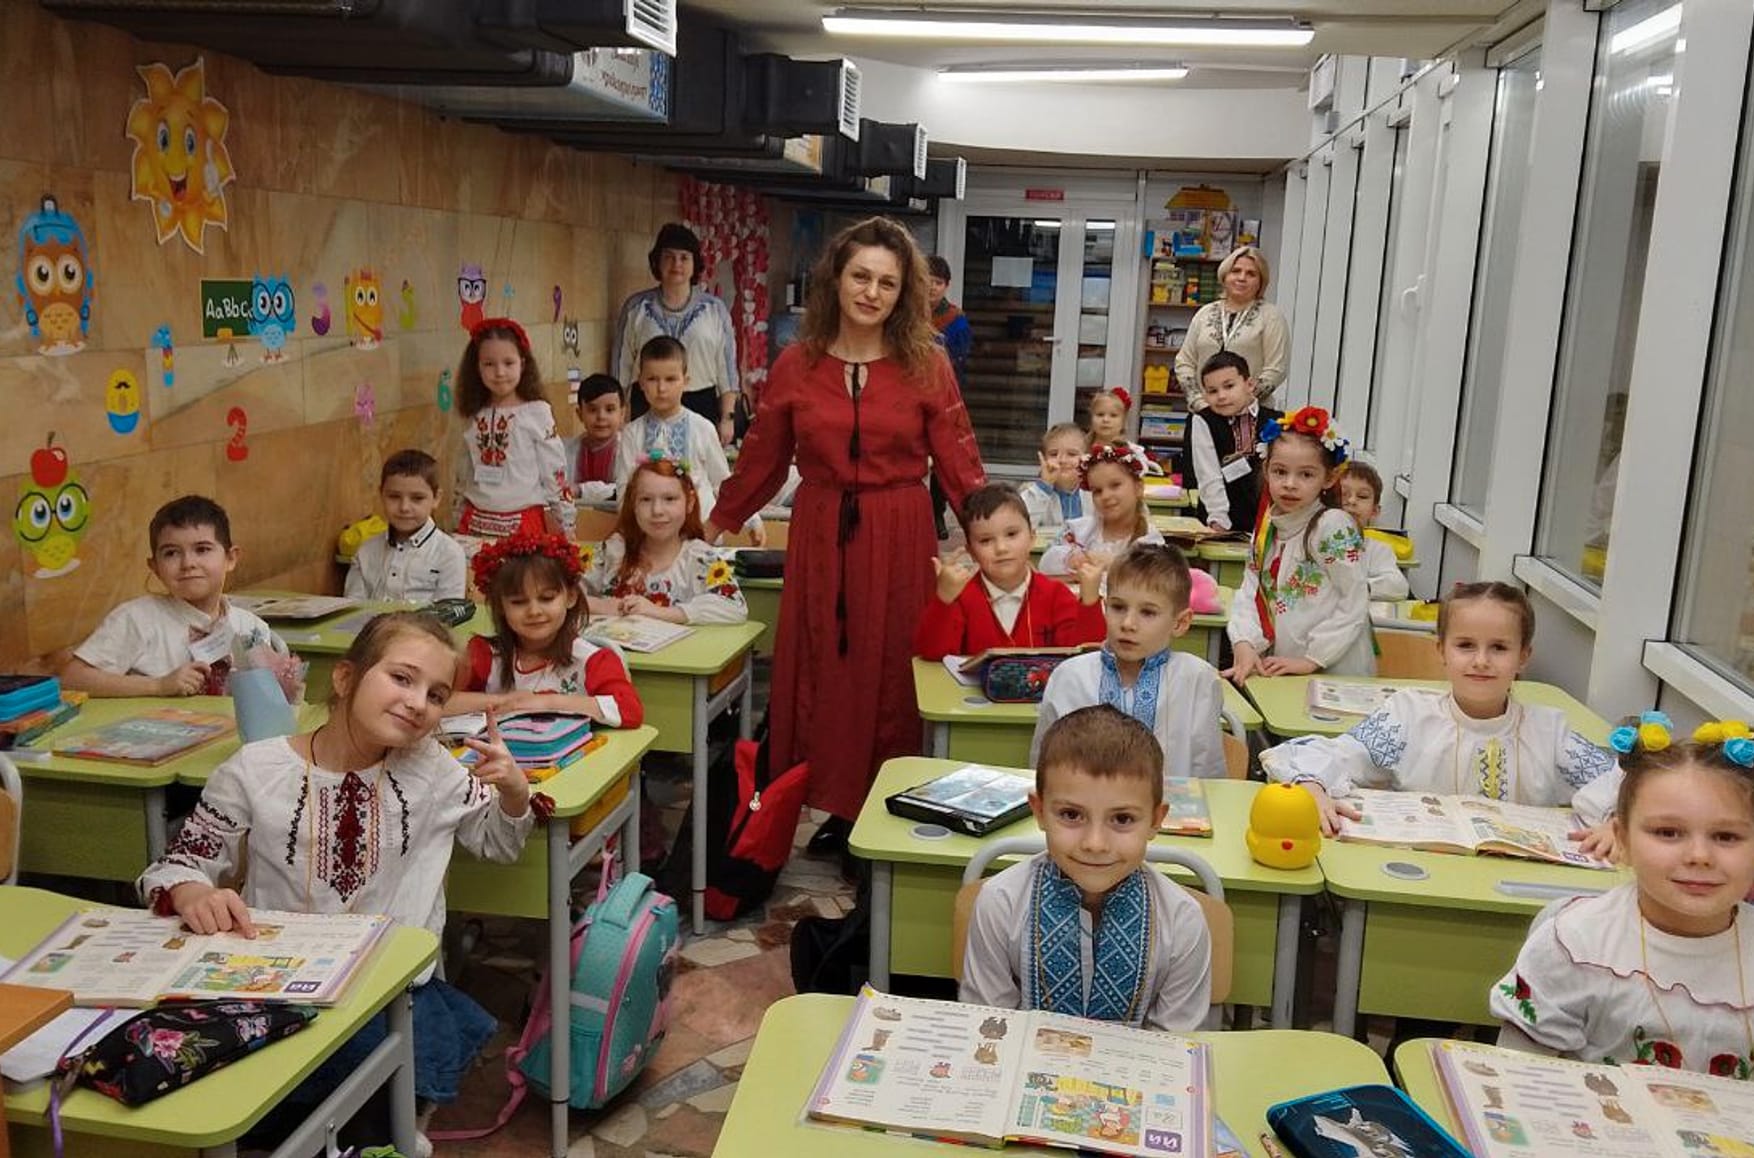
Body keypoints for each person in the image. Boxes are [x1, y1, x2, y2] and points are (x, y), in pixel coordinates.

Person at [137, 611, 533, 1153]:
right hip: (273, 986)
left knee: (370, 1087)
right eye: (402, 678)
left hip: (388, 988)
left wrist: (514, 793)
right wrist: (193, 891)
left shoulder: (433, 769)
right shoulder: (256, 770)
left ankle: (379, 1132)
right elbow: (179, 863)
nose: (418, 702)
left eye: (437, 695)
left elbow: (498, 843)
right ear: (346, 678)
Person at [703, 216, 987, 855]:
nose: (872, 292)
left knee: (892, 673)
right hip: (820, 531)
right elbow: (762, 457)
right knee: (823, 670)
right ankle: (833, 804)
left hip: (899, 530)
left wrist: (992, 538)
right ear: (836, 279)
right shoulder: (796, 364)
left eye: (888, 282)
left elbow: (958, 456)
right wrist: (715, 522)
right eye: (861, 276)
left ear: (904, 292)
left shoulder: (927, 363)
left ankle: (885, 809)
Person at [1261, 581, 1620, 853]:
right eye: (1465, 646)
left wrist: (1616, 822)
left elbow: (1623, 785)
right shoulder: (1409, 716)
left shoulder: (1549, 731)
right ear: (1441, 651)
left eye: (1499, 648)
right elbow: (1331, 754)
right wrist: (1313, 786)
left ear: (1523, 657)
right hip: (1419, 876)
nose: (1481, 661)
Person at [1490, 717, 1754, 1074]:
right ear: (1622, 839)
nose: (1699, 856)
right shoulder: (1575, 945)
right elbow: (1517, 1076)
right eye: (1668, 832)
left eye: (1726, 837)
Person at [960, 704, 1212, 1031]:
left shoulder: (1182, 921)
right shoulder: (1000, 903)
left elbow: (1176, 1047)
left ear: (1156, 820)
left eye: (1122, 819)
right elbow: (986, 1028)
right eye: (1071, 815)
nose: (1095, 843)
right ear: (1039, 811)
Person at [1030, 544, 1226, 782]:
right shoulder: (1069, 676)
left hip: (1168, 805)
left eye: (1148, 612)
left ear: (1180, 622)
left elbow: (1208, 778)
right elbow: (1043, 771)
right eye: (1118, 607)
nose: (1128, 624)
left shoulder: (1198, 680)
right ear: (1105, 607)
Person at [62, 494, 288, 698]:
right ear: (155, 567)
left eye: (202, 549)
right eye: (171, 553)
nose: (188, 563)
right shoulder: (136, 618)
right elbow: (72, 679)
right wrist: (157, 686)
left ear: (231, 558)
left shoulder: (250, 627)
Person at [1225, 407, 1374, 681]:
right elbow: (1251, 589)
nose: (1290, 484)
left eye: (1306, 475)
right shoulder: (1267, 526)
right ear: (1266, 470)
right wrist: (1244, 642)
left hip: (1334, 669)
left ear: (1329, 478)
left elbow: (1354, 599)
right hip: (1284, 665)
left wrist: (1312, 659)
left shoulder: (1332, 526)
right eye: (1280, 472)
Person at [446, 531, 643, 725]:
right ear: (500, 606)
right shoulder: (484, 654)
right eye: (518, 602)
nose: (534, 611)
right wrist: (507, 701)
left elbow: (629, 709)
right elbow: (439, 701)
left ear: (571, 597)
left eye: (547, 598)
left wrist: (546, 702)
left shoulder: (594, 660)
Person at [913, 484, 1104, 661]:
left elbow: (1085, 657)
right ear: (971, 552)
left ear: (1031, 538)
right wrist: (944, 600)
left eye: (1012, 534)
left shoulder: (1056, 595)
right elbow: (932, 654)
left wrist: (1090, 601)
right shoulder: (961, 596)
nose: (1001, 548)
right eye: (985, 540)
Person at [613, 336, 753, 538]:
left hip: (700, 535)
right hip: (648, 538)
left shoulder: (703, 428)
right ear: (641, 382)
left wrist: (752, 520)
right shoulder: (632, 434)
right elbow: (624, 490)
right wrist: (632, 533)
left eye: (670, 379)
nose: (661, 388)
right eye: (652, 379)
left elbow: (723, 483)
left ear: (685, 381)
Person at [611, 222, 739, 445]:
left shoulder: (715, 310)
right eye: (669, 257)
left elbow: (726, 370)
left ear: (695, 263)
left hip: (700, 403)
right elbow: (621, 368)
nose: (676, 264)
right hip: (648, 403)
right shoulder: (636, 308)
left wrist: (728, 417)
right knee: (649, 464)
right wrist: (620, 414)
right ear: (657, 261)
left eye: (684, 258)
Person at [583, 456, 748, 626]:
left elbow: (735, 607)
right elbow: (569, 591)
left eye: (669, 499)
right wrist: (601, 605)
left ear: (689, 502)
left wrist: (661, 612)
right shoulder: (613, 550)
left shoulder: (699, 557)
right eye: (646, 500)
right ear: (633, 505)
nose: (657, 511)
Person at [452, 317, 574, 540]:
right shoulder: (472, 413)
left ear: (523, 364)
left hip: (523, 524)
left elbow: (554, 471)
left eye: (508, 363)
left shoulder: (536, 412)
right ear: (477, 368)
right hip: (474, 521)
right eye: (489, 364)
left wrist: (565, 521)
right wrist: (456, 515)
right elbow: (464, 469)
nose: (499, 372)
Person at [1174, 246, 1289, 410]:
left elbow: (1276, 369)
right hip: (1204, 413)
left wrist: (1240, 403)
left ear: (1261, 282)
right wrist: (1199, 402)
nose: (1242, 278)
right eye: (1236, 271)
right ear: (1225, 275)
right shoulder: (1205, 313)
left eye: (1251, 274)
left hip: (1252, 414)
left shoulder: (1271, 316)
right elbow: (1184, 362)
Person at [344, 450, 467, 603]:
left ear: (436, 498)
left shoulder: (449, 554)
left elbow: (449, 612)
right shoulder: (366, 551)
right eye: (394, 497)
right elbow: (353, 607)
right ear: (381, 494)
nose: (404, 507)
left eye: (417, 498)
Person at [1188, 351, 1281, 536]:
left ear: (1250, 385)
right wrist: (1218, 519)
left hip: (1268, 522)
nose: (1221, 396)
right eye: (1212, 391)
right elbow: (1208, 474)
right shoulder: (1204, 421)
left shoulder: (1276, 421)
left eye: (1229, 386)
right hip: (1220, 523)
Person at [1038, 442, 1165, 576]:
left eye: (1115, 485)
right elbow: (1044, 564)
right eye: (1097, 491)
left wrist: (1114, 564)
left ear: (1138, 488)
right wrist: (1071, 559)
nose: (1105, 496)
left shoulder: (1150, 540)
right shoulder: (1078, 531)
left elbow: (1155, 577)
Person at [925, 255, 970, 542]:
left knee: (942, 457)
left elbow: (960, 361)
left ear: (947, 285)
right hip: (906, 394)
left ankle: (936, 513)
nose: (931, 287)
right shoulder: (902, 313)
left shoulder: (956, 320)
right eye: (926, 281)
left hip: (943, 395)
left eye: (938, 282)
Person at [1337, 461, 1411, 601]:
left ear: (1375, 510)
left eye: (1362, 496)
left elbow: (1398, 586)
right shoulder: (1310, 542)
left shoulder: (1377, 550)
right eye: (1343, 494)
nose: (1352, 501)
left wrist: (1358, 587)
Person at [1019, 422, 1091, 535]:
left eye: (1072, 454)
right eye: (1053, 454)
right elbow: (1020, 524)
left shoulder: (1093, 493)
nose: (1062, 460)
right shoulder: (1034, 493)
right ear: (1043, 459)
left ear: (1086, 458)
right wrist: (1044, 486)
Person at [564, 372, 625, 501]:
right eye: (592, 410)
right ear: (580, 414)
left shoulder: (630, 450)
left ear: (622, 413)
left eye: (609, 409)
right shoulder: (564, 450)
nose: (601, 417)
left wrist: (580, 490)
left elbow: (625, 489)